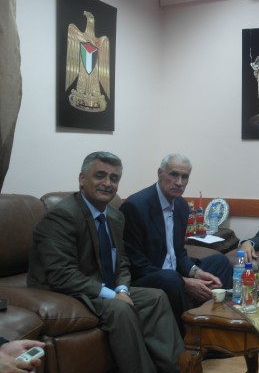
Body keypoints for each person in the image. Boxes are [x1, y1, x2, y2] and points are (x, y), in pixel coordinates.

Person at [27, 152, 183, 373]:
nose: (108, 183)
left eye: (114, 178)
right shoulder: (61, 216)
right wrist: (113, 295)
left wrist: (122, 289)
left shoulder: (114, 216)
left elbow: (122, 261)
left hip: (102, 288)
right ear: (82, 179)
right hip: (67, 292)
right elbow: (62, 275)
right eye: (100, 176)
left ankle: (178, 369)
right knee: (120, 308)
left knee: (156, 297)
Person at [120, 153, 232, 335]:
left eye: (184, 177)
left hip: (173, 273)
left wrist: (196, 272)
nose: (179, 182)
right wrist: (184, 281)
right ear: (160, 174)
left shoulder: (181, 206)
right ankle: (188, 339)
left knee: (220, 262)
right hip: (147, 276)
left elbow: (178, 253)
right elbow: (136, 264)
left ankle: (215, 329)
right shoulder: (136, 206)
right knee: (171, 279)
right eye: (174, 174)